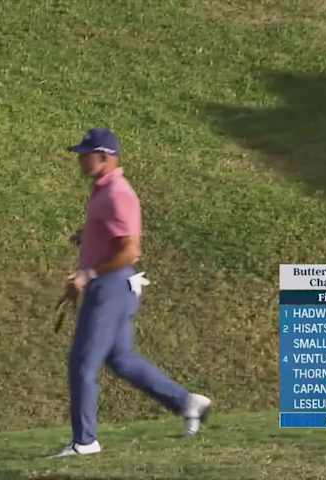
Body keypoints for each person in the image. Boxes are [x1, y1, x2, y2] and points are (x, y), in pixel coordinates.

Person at [51, 128, 212, 458]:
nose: (80, 160)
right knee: (121, 359)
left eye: (86, 154)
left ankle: (85, 442)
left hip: (110, 286)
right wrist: (88, 235)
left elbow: (130, 250)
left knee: (82, 362)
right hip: (115, 286)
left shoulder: (117, 193)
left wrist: (88, 274)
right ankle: (186, 402)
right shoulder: (102, 190)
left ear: (105, 157)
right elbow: (112, 232)